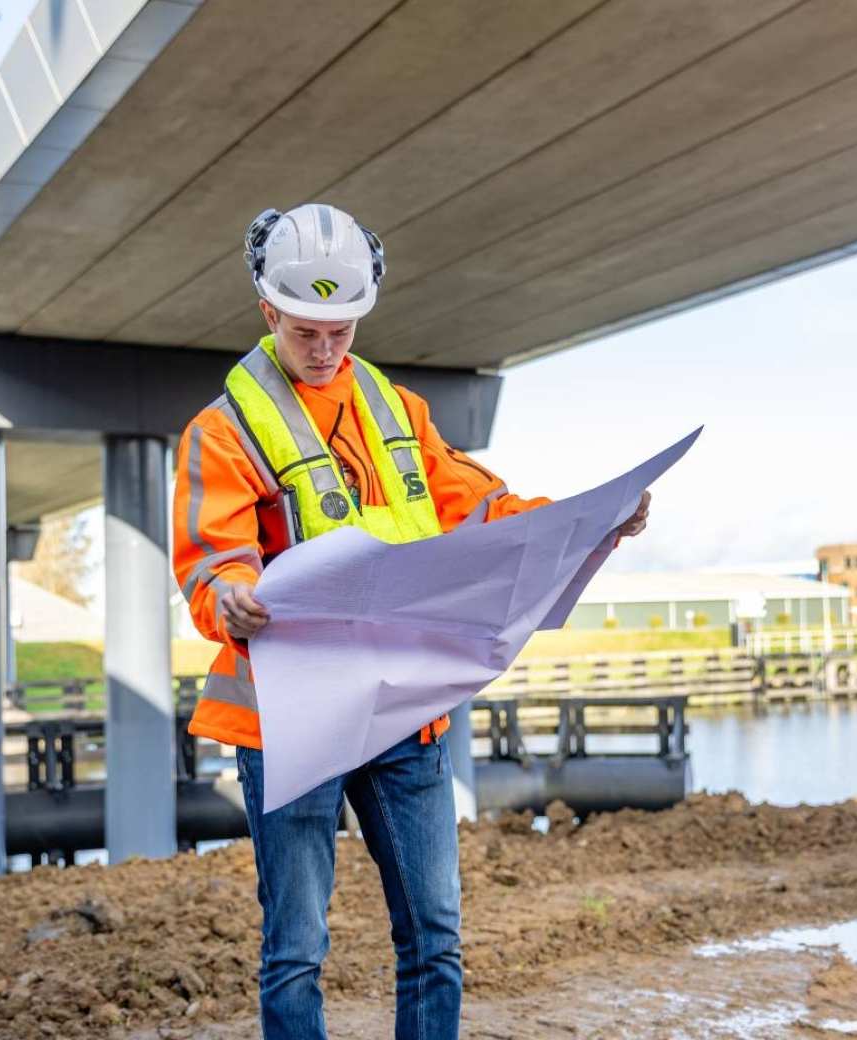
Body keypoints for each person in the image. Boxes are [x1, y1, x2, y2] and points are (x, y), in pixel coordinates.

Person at [172, 203, 650, 1040]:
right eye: (307, 330)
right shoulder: (223, 431)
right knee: (296, 946)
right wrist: (234, 598)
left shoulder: (400, 413)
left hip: (401, 714)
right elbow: (212, 561)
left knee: (434, 936)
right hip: (289, 721)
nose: (325, 350)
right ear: (269, 313)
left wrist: (592, 519)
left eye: (341, 331)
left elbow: (490, 512)